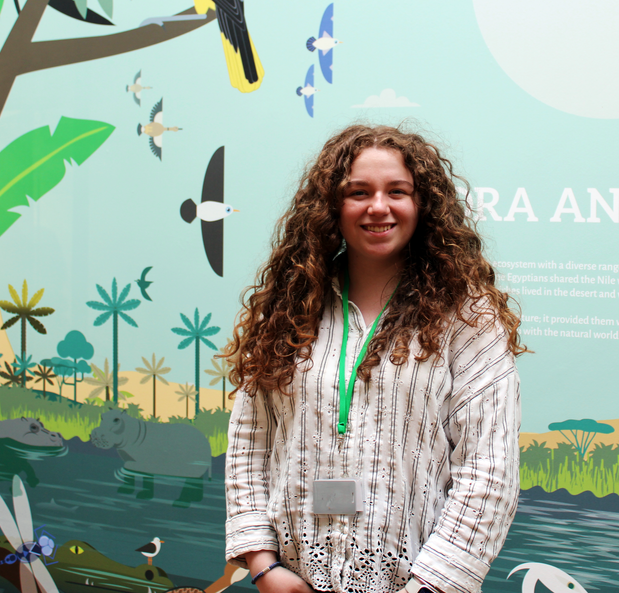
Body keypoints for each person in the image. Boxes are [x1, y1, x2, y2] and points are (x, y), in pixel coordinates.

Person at [223, 124, 526, 593]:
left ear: (422, 204)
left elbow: (489, 470)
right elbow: (250, 441)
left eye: (397, 191)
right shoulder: (290, 304)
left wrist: (429, 588)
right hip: (293, 580)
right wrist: (263, 567)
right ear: (331, 207)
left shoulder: (467, 316)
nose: (378, 207)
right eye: (358, 192)